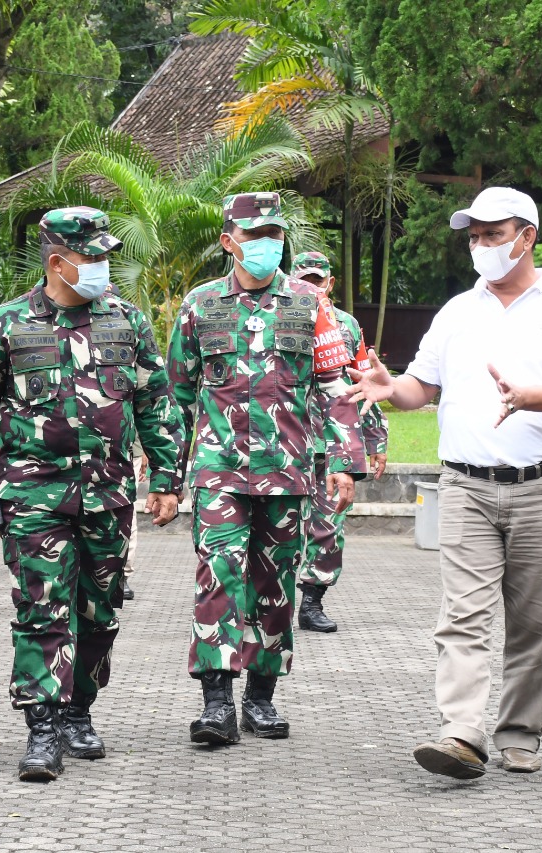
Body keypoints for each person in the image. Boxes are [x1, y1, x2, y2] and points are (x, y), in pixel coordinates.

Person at [346, 186, 542, 779]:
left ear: (526, 237)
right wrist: (393, 390)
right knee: (462, 616)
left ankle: (520, 734)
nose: (482, 246)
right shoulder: (457, 311)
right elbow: (423, 386)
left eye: (493, 235)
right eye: (474, 237)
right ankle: (461, 734)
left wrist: (529, 398)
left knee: (535, 624)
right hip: (465, 488)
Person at [0, 206, 185, 782]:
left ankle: (79, 711)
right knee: (41, 608)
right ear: (57, 261)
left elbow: (156, 406)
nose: (101, 266)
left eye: (103, 255)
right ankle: (42, 727)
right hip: (33, 494)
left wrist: (168, 480)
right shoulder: (10, 323)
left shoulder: (128, 322)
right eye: (91, 256)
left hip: (108, 496)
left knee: (98, 613)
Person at [165, 192, 365, 746]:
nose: (266, 246)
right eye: (254, 237)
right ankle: (215, 704)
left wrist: (345, 462)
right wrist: (165, 476)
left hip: (287, 471)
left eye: (274, 235)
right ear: (229, 241)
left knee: (274, 585)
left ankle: (260, 698)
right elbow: (175, 397)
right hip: (219, 472)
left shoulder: (310, 303)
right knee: (219, 578)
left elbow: (333, 387)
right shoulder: (200, 305)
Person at [288, 251, 390, 633]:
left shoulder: (348, 327)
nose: (311, 287)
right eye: (304, 279)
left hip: (333, 445)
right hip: (287, 442)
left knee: (327, 527)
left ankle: (312, 601)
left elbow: (367, 388)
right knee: (278, 527)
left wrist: (376, 440)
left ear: (329, 283)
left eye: (317, 280)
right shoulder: (279, 317)